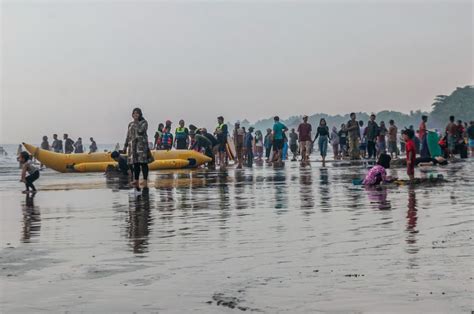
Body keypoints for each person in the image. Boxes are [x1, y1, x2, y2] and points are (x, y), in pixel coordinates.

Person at [124, 107, 154, 189]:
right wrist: (125, 145)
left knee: (143, 163)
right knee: (136, 163)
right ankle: (136, 180)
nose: (135, 114)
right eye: (134, 113)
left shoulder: (144, 122)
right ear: (132, 115)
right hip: (133, 146)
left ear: (140, 114)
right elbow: (128, 135)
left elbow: (141, 131)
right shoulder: (130, 124)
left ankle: (145, 180)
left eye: (137, 113)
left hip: (141, 146)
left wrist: (136, 122)